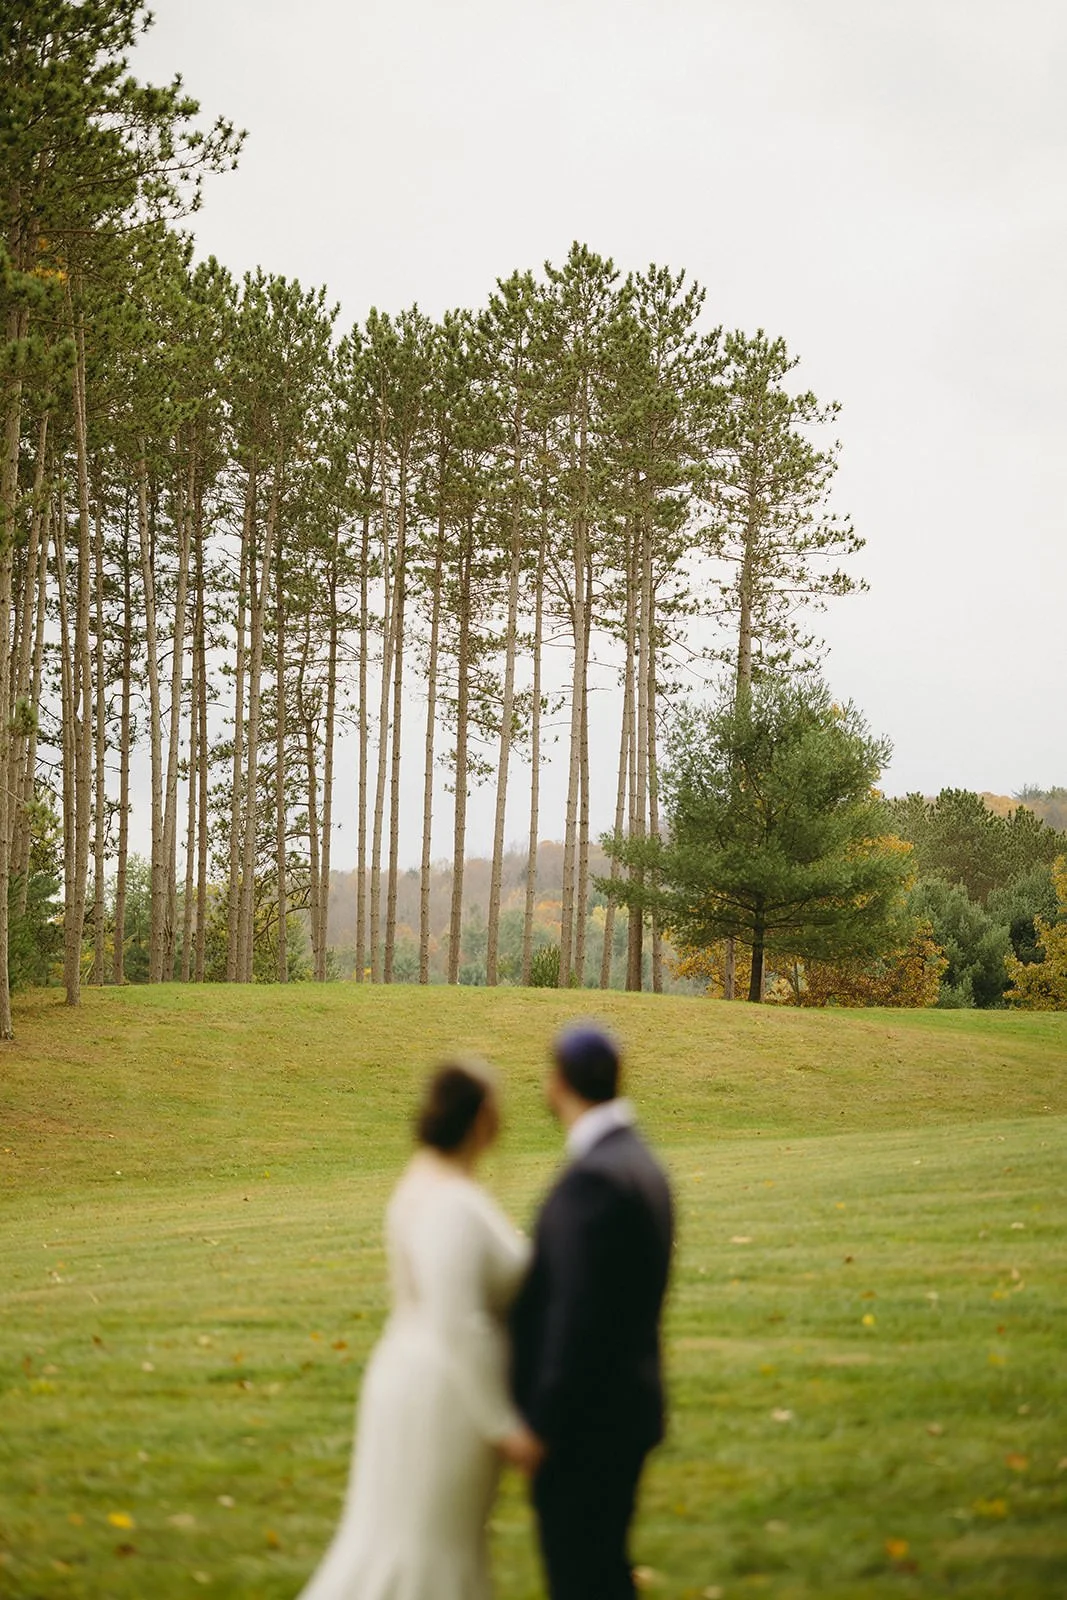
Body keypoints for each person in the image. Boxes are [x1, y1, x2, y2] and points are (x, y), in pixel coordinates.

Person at [298, 1059, 541, 1600]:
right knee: (429, 1553)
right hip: (442, 1397)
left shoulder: (426, 1181)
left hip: (410, 1379)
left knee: (407, 1544)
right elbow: (459, 1322)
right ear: (480, 1119)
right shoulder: (449, 1202)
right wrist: (504, 1425)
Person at [511, 1024, 674, 1600]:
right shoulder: (641, 1161)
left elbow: (575, 1318)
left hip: (586, 1423)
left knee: (581, 1578)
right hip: (623, 1407)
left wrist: (542, 1423)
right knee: (603, 1572)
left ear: (558, 1083)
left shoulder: (595, 1179)